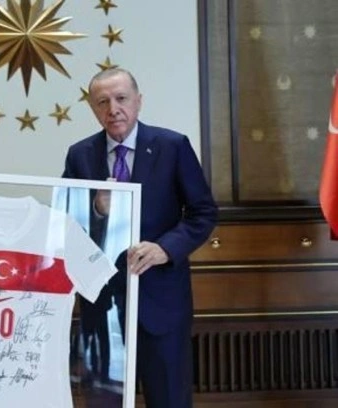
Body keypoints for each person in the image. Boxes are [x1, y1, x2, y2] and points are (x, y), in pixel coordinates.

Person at [62, 67, 217, 407]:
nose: (113, 109)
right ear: (93, 108)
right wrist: (97, 210)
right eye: (103, 102)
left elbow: (203, 212)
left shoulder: (172, 146)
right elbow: (65, 224)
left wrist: (165, 248)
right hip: (102, 306)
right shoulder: (80, 154)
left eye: (121, 98)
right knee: (105, 401)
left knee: (169, 400)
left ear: (138, 101)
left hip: (161, 301)